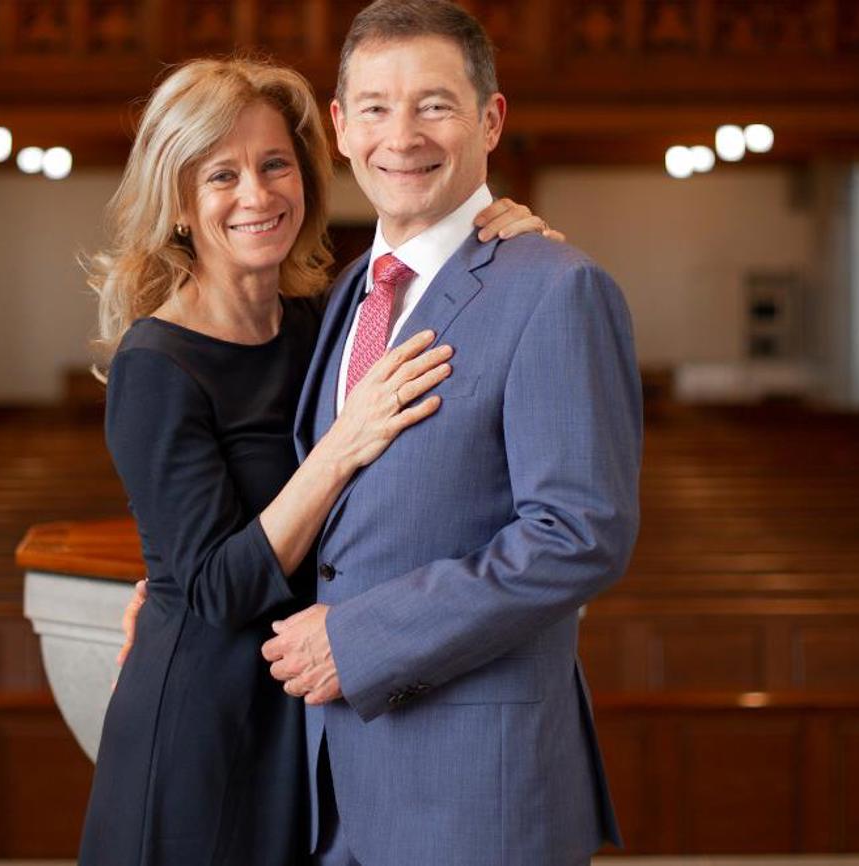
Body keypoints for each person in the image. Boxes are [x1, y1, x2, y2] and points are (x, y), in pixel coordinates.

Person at [81, 56, 557, 866]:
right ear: (179, 204)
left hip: (310, 710)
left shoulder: (327, 318)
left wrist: (501, 235)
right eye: (221, 175)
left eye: (275, 165)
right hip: (204, 723)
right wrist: (339, 449)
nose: (257, 194)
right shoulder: (155, 363)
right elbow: (216, 589)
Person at [259, 2, 643, 864]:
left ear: (490, 120)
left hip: (475, 792)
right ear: (340, 127)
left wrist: (360, 639)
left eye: (434, 105)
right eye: (375, 107)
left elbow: (580, 534)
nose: (402, 136)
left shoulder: (555, 287)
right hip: (334, 788)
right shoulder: (349, 291)